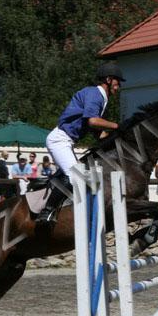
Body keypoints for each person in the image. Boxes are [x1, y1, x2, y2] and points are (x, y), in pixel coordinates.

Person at [38, 62, 124, 225]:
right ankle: (46, 212)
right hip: (59, 140)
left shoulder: (99, 97)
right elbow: (93, 121)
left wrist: (114, 139)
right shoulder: (96, 94)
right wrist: (118, 126)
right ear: (108, 79)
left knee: (77, 173)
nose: (118, 86)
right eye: (117, 82)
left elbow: (97, 132)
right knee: (74, 176)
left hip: (66, 141)